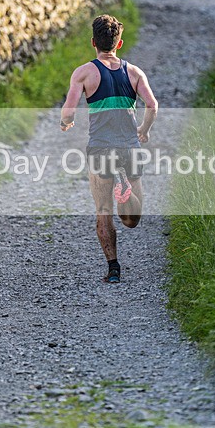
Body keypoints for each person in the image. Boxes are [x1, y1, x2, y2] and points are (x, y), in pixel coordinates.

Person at [60, 15, 158, 283]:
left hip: (101, 148)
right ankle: (124, 186)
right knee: (132, 220)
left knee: (103, 210)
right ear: (120, 43)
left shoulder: (83, 73)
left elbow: (69, 110)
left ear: (93, 42)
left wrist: (65, 121)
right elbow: (152, 105)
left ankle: (113, 268)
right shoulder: (135, 72)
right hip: (130, 147)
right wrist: (145, 130)